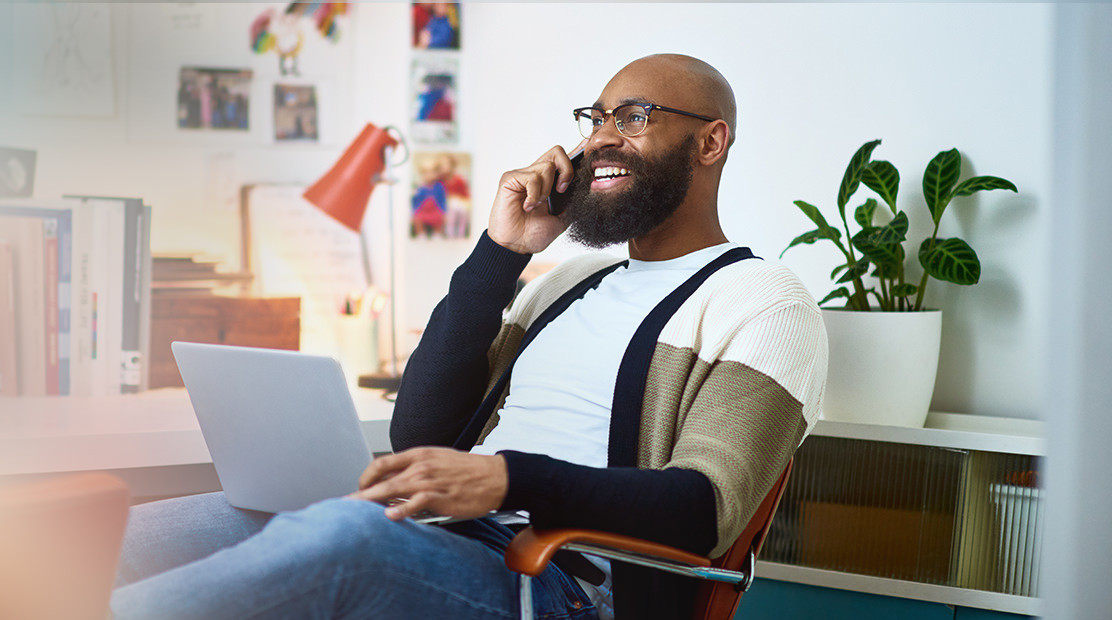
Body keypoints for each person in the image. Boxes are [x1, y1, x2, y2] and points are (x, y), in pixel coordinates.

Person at [110, 54, 827, 620]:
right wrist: (501, 251)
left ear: (711, 141)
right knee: (133, 534)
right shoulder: (566, 280)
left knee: (341, 540)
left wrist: (506, 478)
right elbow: (420, 426)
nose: (601, 136)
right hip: (440, 535)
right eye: (596, 116)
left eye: (634, 117)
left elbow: (701, 510)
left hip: (558, 584)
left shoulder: (764, 302)